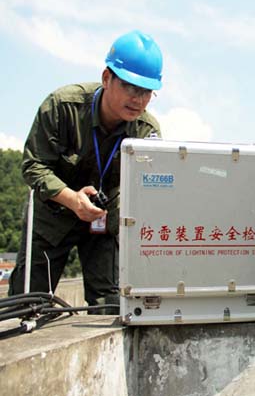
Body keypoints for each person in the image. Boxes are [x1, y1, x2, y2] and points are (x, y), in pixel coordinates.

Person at [8, 30, 163, 314]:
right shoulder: (62, 107)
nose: (138, 99)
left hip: (103, 224)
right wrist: (71, 199)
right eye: (130, 87)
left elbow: (150, 189)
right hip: (52, 217)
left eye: (146, 92)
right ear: (107, 78)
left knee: (111, 307)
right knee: (26, 305)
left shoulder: (146, 131)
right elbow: (33, 166)